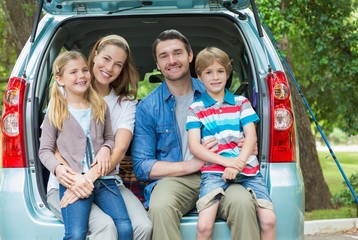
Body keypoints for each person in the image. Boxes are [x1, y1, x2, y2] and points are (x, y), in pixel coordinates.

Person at [131, 29, 260, 240]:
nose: (172, 60)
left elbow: (243, 133)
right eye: (164, 56)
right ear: (157, 63)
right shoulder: (148, 107)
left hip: (221, 173)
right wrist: (192, 165)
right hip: (176, 180)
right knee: (160, 207)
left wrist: (247, 147)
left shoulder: (217, 90)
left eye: (177, 53)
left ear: (190, 56)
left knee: (244, 203)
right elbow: (142, 166)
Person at [46, 35, 152, 239]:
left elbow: (119, 148)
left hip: (107, 181)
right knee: (105, 228)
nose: (109, 68)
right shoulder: (64, 93)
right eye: (106, 58)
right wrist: (75, 179)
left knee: (143, 227)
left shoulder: (125, 103)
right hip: (66, 182)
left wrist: (88, 178)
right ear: (94, 56)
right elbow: (51, 146)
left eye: (118, 64)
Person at [186, 47, 276, 240]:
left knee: (269, 221)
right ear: (199, 77)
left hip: (248, 171)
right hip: (214, 174)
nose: (215, 77)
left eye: (220, 71)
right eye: (208, 72)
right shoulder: (196, 108)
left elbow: (251, 137)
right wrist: (228, 163)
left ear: (227, 74)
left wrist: (239, 163)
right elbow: (195, 146)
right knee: (203, 227)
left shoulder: (241, 102)